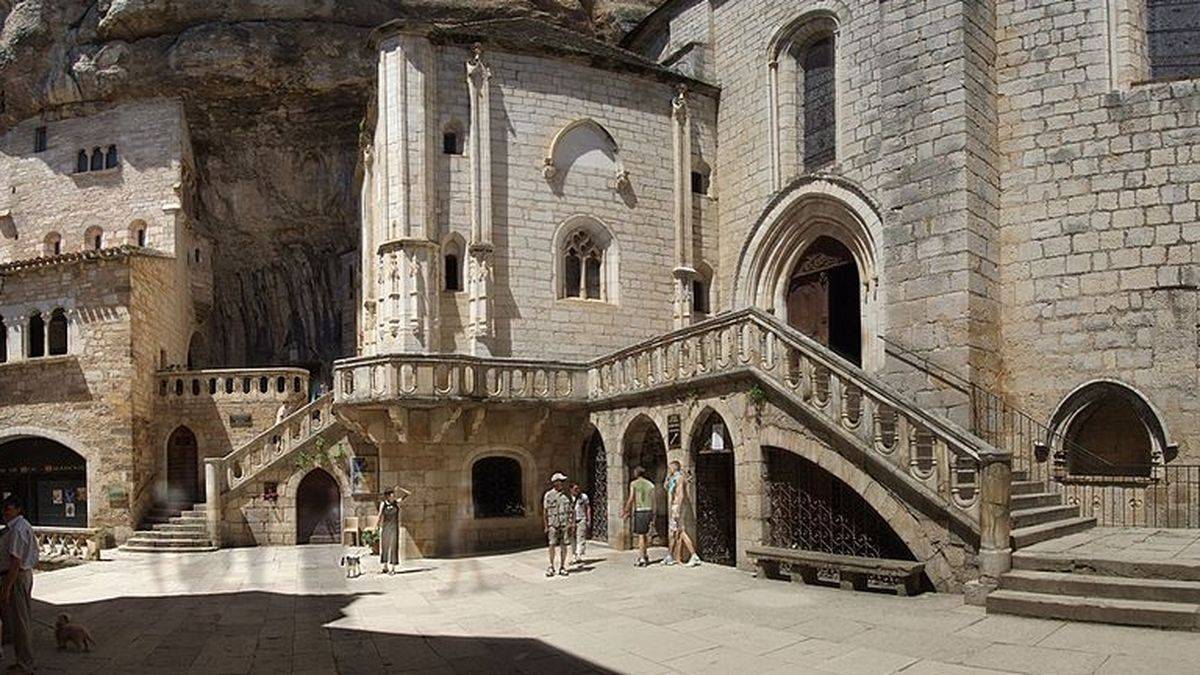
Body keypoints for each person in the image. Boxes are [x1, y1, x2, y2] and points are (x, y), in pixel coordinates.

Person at [0, 495, 37, 673]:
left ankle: (25, 663)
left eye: (8, 509)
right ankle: (22, 659)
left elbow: (15, 561)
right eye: (4, 509)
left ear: (17, 510)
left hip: (17, 576)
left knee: (20, 621)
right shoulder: (19, 527)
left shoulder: (17, 529)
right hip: (22, 575)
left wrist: (6, 588)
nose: (5, 513)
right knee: (20, 620)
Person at [665, 461, 701, 567]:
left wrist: (677, 509)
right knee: (674, 532)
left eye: (670, 468)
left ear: (674, 468)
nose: (669, 470)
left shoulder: (679, 478)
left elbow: (680, 494)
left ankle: (694, 555)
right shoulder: (673, 478)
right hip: (674, 506)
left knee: (680, 531)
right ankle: (671, 556)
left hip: (677, 507)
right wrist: (667, 478)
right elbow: (667, 487)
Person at [622, 466, 655, 567]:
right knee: (645, 535)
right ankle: (644, 555)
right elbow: (654, 500)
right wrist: (654, 514)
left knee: (641, 536)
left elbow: (632, 498)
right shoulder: (651, 484)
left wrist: (626, 510)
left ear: (636, 473)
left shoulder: (634, 484)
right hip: (649, 510)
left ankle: (641, 558)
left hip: (640, 510)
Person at [542, 472, 573, 577]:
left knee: (564, 545)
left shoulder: (567, 495)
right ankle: (551, 566)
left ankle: (563, 566)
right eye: (560, 481)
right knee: (552, 545)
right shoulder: (548, 495)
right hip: (553, 524)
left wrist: (571, 523)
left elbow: (571, 511)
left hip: (564, 523)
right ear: (555, 482)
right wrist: (546, 525)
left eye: (562, 481)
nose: (562, 483)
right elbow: (545, 511)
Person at [376, 487, 410, 575]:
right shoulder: (383, 504)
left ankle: (393, 568)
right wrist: (376, 526)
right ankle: (385, 566)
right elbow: (379, 515)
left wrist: (400, 489)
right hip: (386, 527)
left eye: (393, 494)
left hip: (394, 527)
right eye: (391, 494)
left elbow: (408, 494)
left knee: (394, 547)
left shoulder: (396, 503)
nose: (393, 495)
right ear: (387, 496)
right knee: (385, 546)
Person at [569, 482, 591, 566]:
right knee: (572, 538)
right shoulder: (568, 498)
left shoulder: (583, 497)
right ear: (571, 490)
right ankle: (574, 554)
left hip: (581, 518)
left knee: (580, 538)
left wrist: (588, 519)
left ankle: (578, 555)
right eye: (575, 489)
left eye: (578, 489)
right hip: (571, 520)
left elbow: (588, 508)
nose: (577, 491)